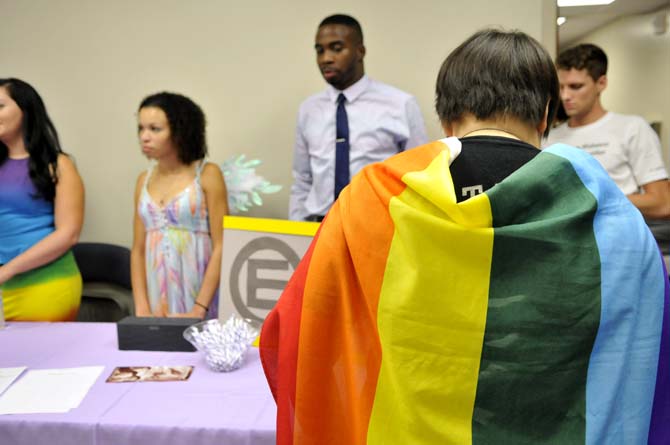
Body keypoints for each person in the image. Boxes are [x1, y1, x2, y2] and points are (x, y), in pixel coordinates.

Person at [260, 29, 669, 444]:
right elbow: (649, 342)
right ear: (546, 114)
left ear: (446, 117)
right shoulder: (611, 216)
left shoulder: (369, 202)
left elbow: (292, 332)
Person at [288, 13, 428, 221]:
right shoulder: (309, 109)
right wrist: (296, 231)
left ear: (360, 51)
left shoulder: (400, 104)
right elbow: (302, 179)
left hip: (377, 224)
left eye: (337, 48)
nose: (326, 58)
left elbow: (420, 175)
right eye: (320, 50)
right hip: (319, 226)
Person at [544, 43, 670, 220]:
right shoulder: (550, 139)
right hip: (568, 239)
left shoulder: (632, 128)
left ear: (601, 83)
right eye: (561, 87)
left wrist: (591, 201)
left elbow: (662, 203)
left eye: (576, 86)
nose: (565, 96)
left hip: (619, 237)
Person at [131, 92, 228, 319]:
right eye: (141, 128)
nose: (144, 137)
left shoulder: (207, 174)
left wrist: (199, 308)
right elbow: (138, 249)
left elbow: (222, 245)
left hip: (199, 291)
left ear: (180, 130)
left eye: (155, 129)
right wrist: (141, 307)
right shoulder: (143, 180)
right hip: (157, 295)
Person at [0, 78, 84, 321]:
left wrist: (8, 271)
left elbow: (68, 233)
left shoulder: (59, 165)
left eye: (0, 106)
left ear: (25, 110)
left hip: (46, 285)